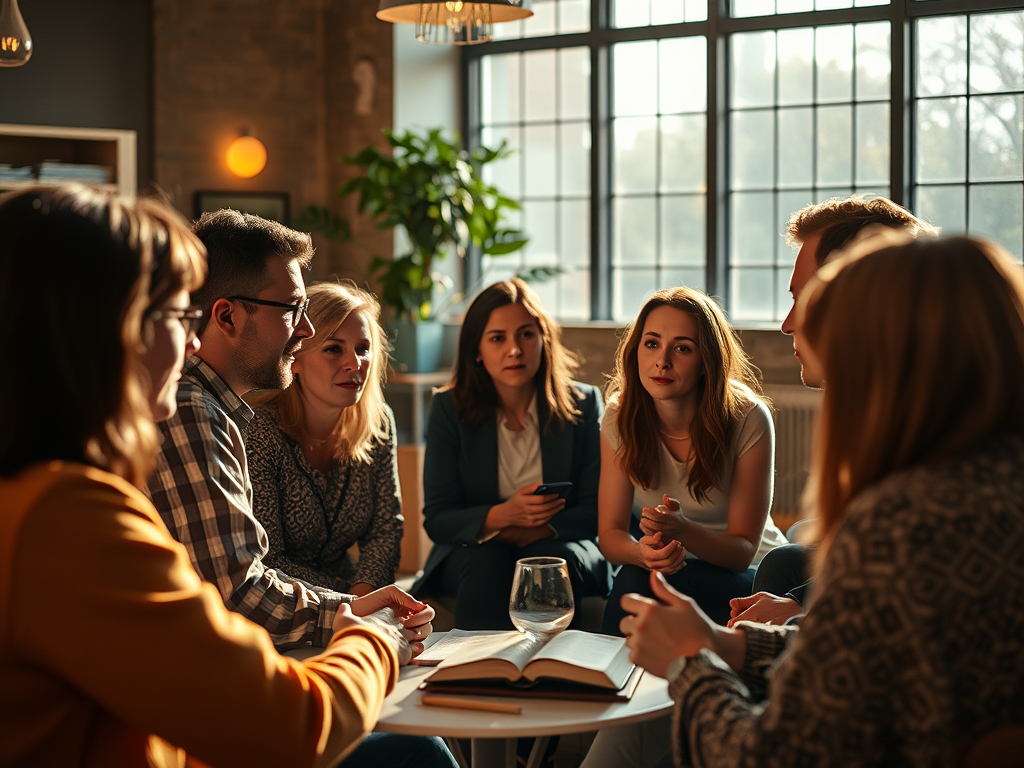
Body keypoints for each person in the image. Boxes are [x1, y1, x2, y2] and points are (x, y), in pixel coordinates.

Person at [0, 185, 421, 767]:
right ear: (108, 331)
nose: (193, 341)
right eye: (178, 315)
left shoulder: (40, 494)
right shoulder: (67, 518)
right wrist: (373, 635)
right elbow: (289, 728)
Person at [620, 234, 1024, 767]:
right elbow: (858, 656)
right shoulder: (997, 485)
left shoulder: (901, 524)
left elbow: (774, 755)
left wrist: (689, 662)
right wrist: (732, 645)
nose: (793, 329)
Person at [729, 195, 939, 628]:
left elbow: (904, 563)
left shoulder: (926, 416)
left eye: (803, 297)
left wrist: (799, 611)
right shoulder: (880, 396)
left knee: (784, 564)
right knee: (790, 555)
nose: (788, 323)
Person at [412, 278, 610, 630]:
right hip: (476, 549)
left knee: (549, 563)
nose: (514, 350)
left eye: (526, 335)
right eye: (497, 338)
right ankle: (477, 670)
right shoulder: (449, 408)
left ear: (544, 340)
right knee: (487, 560)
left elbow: (600, 511)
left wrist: (540, 529)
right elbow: (439, 519)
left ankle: (560, 672)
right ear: (477, 349)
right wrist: (503, 516)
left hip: (564, 543)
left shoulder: (583, 404)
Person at [598, 286, 786, 635]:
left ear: (706, 361)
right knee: (636, 574)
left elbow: (743, 550)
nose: (662, 361)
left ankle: (622, 684)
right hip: (666, 568)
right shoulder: (618, 415)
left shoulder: (748, 417)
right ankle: (614, 684)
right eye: (651, 343)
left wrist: (683, 532)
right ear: (635, 350)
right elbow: (609, 535)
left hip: (750, 572)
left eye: (682, 348)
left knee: (650, 585)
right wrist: (642, 554)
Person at [246, 281, 403, 597]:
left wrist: (366, 591)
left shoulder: (379, 420)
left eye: (363, 348)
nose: (354, 363)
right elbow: (268, 558)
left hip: (355, 591)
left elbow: (385, 531)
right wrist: (349, 598)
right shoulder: (259, 431)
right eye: (334, 349)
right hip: (281, 600)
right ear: (295, 358)